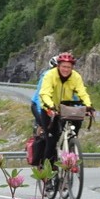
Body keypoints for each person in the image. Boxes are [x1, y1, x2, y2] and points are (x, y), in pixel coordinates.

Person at [36, 52, 94, 186]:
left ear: (72, 68)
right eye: (63, 66)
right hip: (49, 108)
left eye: (69, 67)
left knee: (73, 131)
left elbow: (82, 92)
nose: (66, 69)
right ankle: (47, 174)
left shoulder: (76, 77)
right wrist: (50, 106)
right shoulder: (50, 75)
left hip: (66, 108)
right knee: (51, 140)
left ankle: (71, 149)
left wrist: (89, 105)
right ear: (58, 66)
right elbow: (44, 93)